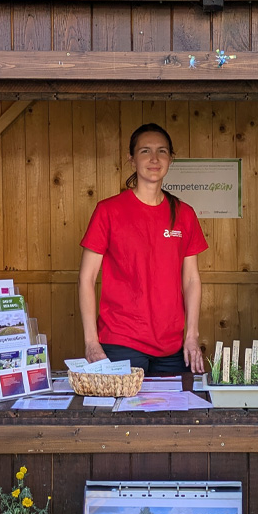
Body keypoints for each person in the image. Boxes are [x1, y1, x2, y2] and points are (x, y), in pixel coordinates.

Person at [79, 123, 208, 374]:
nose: (154, 158)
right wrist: (91, 342)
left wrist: (191, 335)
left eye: (162, 151)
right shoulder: (109, 211)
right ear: (131, 159)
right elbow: (86, 278)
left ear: (171, 158)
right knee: (123, 412)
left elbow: (192, 279)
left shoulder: (185, 214)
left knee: (174, 413)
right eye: (145, 151)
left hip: (172, 347)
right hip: (120, 342)